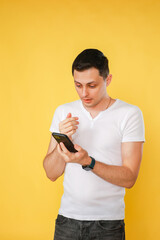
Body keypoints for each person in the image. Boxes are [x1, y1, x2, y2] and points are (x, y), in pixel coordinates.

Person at [43, 49, 145, 240]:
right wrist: (62, 141)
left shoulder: (129, 114)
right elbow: (51, 173)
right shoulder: (63, 111)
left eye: (92, 85)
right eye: (78, 85)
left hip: (108, 225)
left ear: (108, 80)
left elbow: (129, 178)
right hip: (67, 221)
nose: (84, 93)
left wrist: (88, 161)